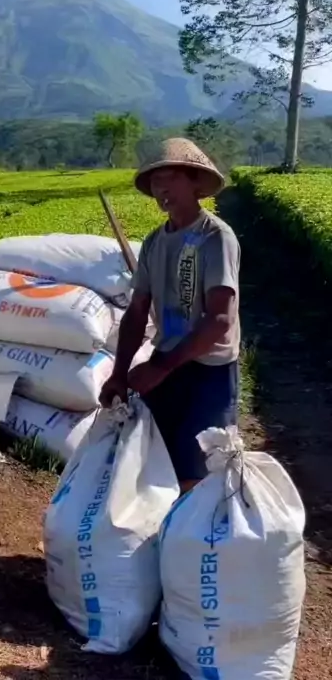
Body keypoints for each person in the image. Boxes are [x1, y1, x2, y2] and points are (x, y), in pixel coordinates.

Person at [100, 138, 240, 495]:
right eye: (156, 181)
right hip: (168, 360)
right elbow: (137, 311)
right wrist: (119, 374)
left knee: (200, 471)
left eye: (171, 178)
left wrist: (160, 368)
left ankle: (198, 530)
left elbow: (219, 320)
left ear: (195, 183)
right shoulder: (154, 242)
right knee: (155, 460)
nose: (162, 189)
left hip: (209, 369)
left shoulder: (216, 238)